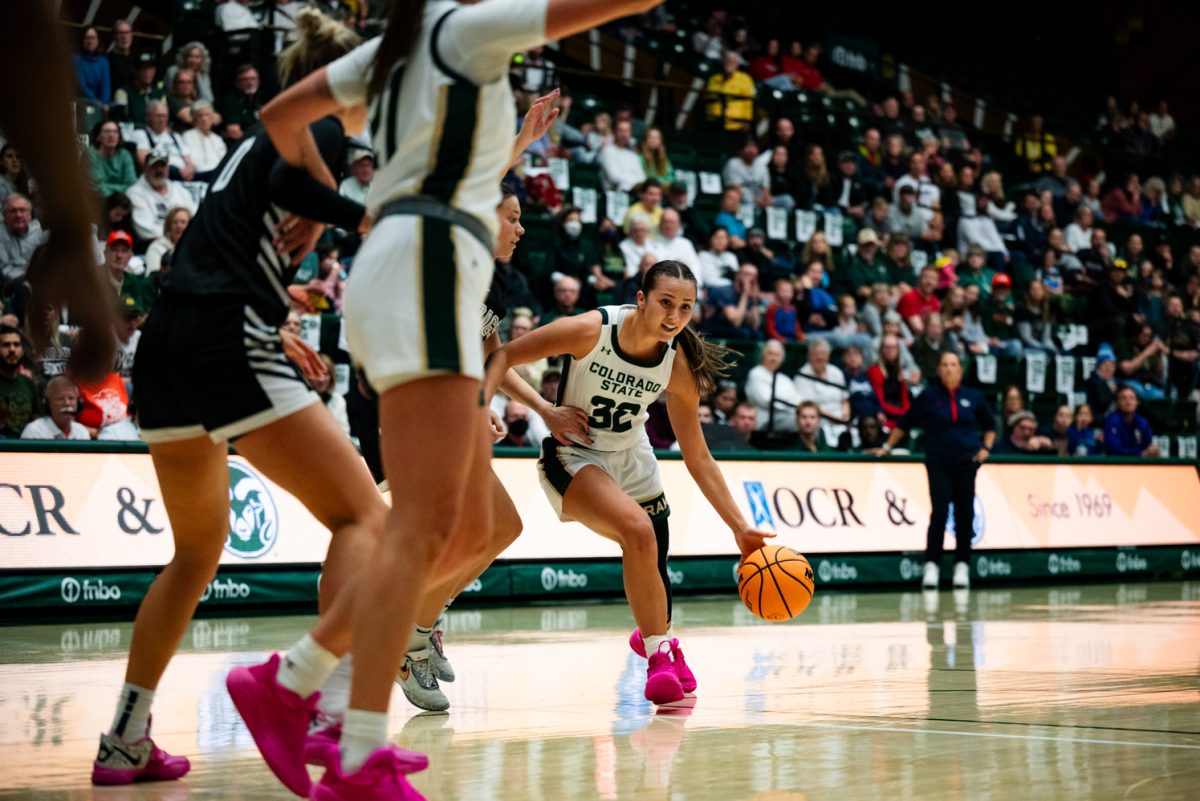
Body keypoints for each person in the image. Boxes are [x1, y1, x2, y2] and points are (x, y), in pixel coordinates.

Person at [238, 3, 673, 799]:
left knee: (473, 525)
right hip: (422, 274)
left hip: (418, 269)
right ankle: (336, 724)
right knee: (424, 520)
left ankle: (301, 685)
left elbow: (281, 115)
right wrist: (350, 207)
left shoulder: (399, 48)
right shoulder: (466, 25)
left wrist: (335, 203)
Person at [90, 12, 381, 790]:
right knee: (366, 517)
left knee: (194, 554)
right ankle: (308, 694)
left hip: (168, 347)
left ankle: (125, 739)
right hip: (224, 340)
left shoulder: (259, 139)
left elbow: (251, 231)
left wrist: (279, 308)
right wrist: (359, 215)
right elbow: (293, 193)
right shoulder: (315, 130)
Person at [483, 259, 773, 699]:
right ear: (641, 300)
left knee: (654, 562)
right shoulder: (589, 330)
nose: (674, 317)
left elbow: (698, 456)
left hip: (632, 454)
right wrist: (525, 409)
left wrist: (739, 526)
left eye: (685, 308)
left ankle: (659, 639)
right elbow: (503, 353)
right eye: (665, 303)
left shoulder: (678, 367)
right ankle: (659, 653)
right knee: (637, 529)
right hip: (575, 452)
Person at [875, 351, 995, 590]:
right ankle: (932, 566)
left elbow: (990, 425)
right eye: (944, 364)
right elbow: (905, 423)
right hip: (939, 463)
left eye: (953, 364)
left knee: (965, 515)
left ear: (960, 369)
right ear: (938, 370)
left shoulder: (973, 396)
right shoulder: (929, 397)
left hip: (966, 463)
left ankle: (962, 566)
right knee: (939, 513)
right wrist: (887, 447)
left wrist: (986, 449)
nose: (949, 368)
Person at [126, 150, 198, 244]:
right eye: (154, 166)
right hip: (155, 244)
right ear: (145, 168)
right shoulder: (134, 193)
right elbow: (145, 230)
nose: (159, 170)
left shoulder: (180, 189)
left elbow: (194, 217)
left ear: (168, 168)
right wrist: (175, 236)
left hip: (186, 241)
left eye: (162, 166)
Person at [744, 339, 800, 445]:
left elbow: (798, 400)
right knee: (800, 422)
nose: (774, 358)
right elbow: (766, 401)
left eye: (777, 355)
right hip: (764, 421)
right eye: (770, 354)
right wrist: (789, 404)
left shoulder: (785, 379)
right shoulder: (756, 373)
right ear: (763, 356)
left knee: (808, 420)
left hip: (785, 417)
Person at [21, 376, 90, 440]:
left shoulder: (82, 432)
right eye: (60, 399)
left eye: (71, 398)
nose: (67, 403)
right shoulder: (34, 432)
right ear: (47, 404)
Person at [0, 324, 39, 438]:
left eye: (16, 345)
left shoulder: (29, 383)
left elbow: (36, 421)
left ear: (22, 351)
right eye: (6, 345)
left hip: (25, 448)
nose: (12, 349)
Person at [1102, 386, 1161, 458]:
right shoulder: (1111, 421)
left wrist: (1152, 451)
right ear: (1117, 402)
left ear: (1137, 402)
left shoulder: (1143, 422)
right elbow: (1114, 450)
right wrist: (1140, 453)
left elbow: (1148, 446)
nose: (1128, 402)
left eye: (1132, 398)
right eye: (1123, 398)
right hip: (1115, 465)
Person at [89, 121, 138, 198]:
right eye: (107, 132)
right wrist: (121, 188)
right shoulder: (90, 155)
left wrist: (105, 186)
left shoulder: (125, 155)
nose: (111, 135)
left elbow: (131, 185)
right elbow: (95, 187)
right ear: (98, 137)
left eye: (115, 132)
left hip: (122, 203)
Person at [74, 26, 112, 106]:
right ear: (82, 40)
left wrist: (105, 103)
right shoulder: (76, 59)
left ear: (98, 40)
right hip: (82, 102)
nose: (90, 41)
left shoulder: (103, 61)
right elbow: (81, 85)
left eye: (93, 38)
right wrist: (96, 102)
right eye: (87, 38)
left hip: (100, 104)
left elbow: (105, 86)